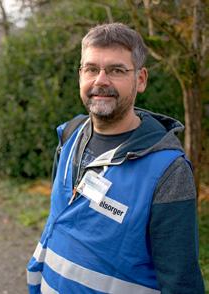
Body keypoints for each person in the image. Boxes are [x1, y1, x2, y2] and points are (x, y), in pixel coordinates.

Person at [26, 23, 205, 294]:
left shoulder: (168, 170)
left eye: (116, 70)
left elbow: (181, 282)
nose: (100, 80)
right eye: (91, 69)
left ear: (141, 79)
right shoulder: (70, 135)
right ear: (80, 75)